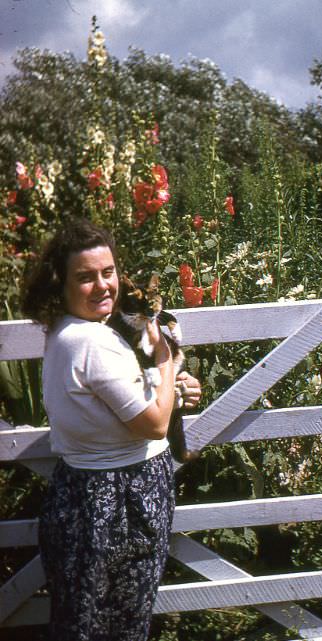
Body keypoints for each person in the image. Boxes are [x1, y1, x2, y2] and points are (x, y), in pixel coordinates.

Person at [21, 218, 202, 641]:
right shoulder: (93, 343)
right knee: (118, 626)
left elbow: (105, 402)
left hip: (84, 493)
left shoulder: (68, 332)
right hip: (120, 498)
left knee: (83, 620)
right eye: (85, 277)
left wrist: (167, 388)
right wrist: (166, 362)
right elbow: (156, 425)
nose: (103, 286)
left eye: (108, 272)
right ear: (60, 285)